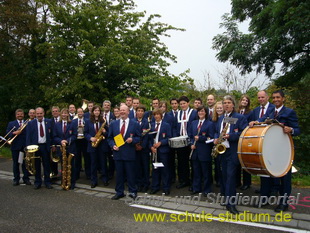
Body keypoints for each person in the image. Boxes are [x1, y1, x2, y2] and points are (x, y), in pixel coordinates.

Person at [250, 90, 300, 212]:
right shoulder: (271, 112)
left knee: (284, 178)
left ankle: (284, 203)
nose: (276, 99)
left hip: (284, 150)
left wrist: (291, 130)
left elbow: (298, 130)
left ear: (283, 99)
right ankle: (265, 198)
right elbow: (263, 119)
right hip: (271, 150)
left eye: (278, 97)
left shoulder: (289, 112)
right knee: (266, 174)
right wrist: (256, 122)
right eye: (274, 98)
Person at [214, 96, 248, 214]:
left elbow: (244, 133)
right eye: (224, 103)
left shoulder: (239, 117)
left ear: (233, 105)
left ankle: (231, 203)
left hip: (232, 151)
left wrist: (231, 136)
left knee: (231, 177)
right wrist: (215, 139)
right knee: (224, 176)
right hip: (222, 151)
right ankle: (226, 197)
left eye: (229, 103)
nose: (226, 105)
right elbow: (216, 131)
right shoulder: (221, 118)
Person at [108, 104, 141, 200]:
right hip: (118, 153)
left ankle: (133, 192)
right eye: (120, 110)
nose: (122, 112)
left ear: (128, 112)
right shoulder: (114, 124)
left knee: (131, 174)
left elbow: (139, 137)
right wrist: (113, 145)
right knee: (119, 174)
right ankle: (119, 192)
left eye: (124, 110)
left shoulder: (134, 124)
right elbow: (109, 138)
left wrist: (133, 140)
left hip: (129, 153)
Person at [188, 106, 214, 196]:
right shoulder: (193, 123)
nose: (200, 113)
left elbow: (211, 138)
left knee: (206, 172)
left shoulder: (210, 124)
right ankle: (196, 188)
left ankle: (207, 190)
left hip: (205, 151)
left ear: (206, 113)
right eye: (199, 111)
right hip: (195, 151)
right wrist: (191, 143)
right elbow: (190, 136)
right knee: (196, 171)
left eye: (202, 111)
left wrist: (201, 138)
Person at [173, 96, 198, 189]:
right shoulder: (178, 113)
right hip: (180, 142)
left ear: (188, 103)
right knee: (182, 162)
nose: (182, 105)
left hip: (190, 141)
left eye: (184, 103)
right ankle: (184, 180)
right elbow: (175, 127)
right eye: (181, 104)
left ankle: (194, 182)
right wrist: (177, 137)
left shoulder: (193, 113)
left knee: (193, 163)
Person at [26, 107, 53, 189]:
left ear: (43, 113)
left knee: (47, 165)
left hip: (45, 146)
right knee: (36, 165)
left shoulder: (49, 122)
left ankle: (47, 182)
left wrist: (53, 145)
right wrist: (28, 149)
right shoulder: (31, 123)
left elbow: (52, 135)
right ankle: (38, 182)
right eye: (37, 114)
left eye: (40, 113)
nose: (39, 115)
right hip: (35, 147)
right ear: (35, 114)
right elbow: (28, 137)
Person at [84, 105, 109, 188]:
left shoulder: (103, 121)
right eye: (95, 111)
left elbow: (108, 133)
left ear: (100, 112)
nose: (97, 112)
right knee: (93, 164)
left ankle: (105, 179)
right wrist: (90, 138)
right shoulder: (88, 121)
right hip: (92, 144)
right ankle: (93, 180)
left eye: (98, 110)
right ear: (93, 112)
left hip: (102, 145)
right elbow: (85, 133)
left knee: (103, 163)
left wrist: (105, 131)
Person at [53, 108, 77, 189]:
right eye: (62, 113)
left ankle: (72, 182)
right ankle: (64, 182)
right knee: (63, 166)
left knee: (71, 166)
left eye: (65, 113)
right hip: (61, 149)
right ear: (60, 114)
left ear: (68, 115)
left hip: (70, 148)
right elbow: (54, 136)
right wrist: (61, 141)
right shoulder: (56, 124)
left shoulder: (72, 123)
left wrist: (67, 141)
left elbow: (74, 135)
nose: (64, 115)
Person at [149, 109, 172, 195]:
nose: (156, 116)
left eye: (158, 114)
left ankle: (166, 187)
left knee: (164, 169)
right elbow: (149, 138)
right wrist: (151, 147)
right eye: (155, 115)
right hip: (154, 151)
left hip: (163, 151)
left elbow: (169, 138)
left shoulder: (166, 125)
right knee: (155, 169)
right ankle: (155, 187)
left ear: (161, 115)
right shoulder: (151, 125)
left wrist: (161, 143)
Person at [5, 109, 31, 186]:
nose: (20, 115)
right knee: (16, 164)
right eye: (18, 114)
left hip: (24, 146)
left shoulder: (27, 123)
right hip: (15, 146)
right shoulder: (11, 123)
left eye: (21, 114)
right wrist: (14, 132)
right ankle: (16, 179)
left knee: (25, 164)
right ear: (16, 115)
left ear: (23, 115)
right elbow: (7, 133)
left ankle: (26, 178)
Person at [236, 95, 252, 190]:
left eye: (246, 100)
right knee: (237, 161)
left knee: (245, 161)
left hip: (245, 138)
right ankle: (237, 181)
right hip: (236, 138)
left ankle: (247, 182)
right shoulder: (236, 112)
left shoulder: (250, 112)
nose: (244, 101)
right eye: (243, 100)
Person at [133, 104, 150, 192]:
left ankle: (146, 183)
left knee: (145, 166)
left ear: (144, 113)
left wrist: (142, 146)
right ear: (136, 112)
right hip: (135, 148)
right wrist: (136, 144)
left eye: (142, 111)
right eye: (138, 111)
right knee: (137, 167)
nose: (140, 112)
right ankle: (138, 183)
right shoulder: (132, 121)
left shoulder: (147, 122)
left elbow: (147, 136)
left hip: (144, 148)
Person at [72, 107, 91, 180]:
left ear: (83, 113)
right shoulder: (74, 121)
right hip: (77, 140)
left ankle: (88, 174)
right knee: (77, 158)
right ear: (77, 113)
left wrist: (84, 127)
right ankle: (77, 175)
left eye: (81, 112)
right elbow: (72, 130)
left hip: (84, 140)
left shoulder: (87, 120)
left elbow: (89, 130)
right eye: (78, 112)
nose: (80, 113)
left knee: (87, 158)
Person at [211, 101, 224, 187]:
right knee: (217, 163)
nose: (219, 110)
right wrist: (215, 138)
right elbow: (215, 131)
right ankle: (218, 180)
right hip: (217, 143)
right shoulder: (214, 119)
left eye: (220, 108)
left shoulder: (226, 117)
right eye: (217, 108)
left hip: (225, 142)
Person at [50, 106, 61, 177]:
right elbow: (50, 134)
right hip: (54, 143)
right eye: (53, 111)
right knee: (53, 160)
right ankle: (54, 173)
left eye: (56, 111)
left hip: (62, 143)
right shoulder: (49, 121)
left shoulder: (63, 120)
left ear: (59, 112)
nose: (55, 112)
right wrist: (53, 145)